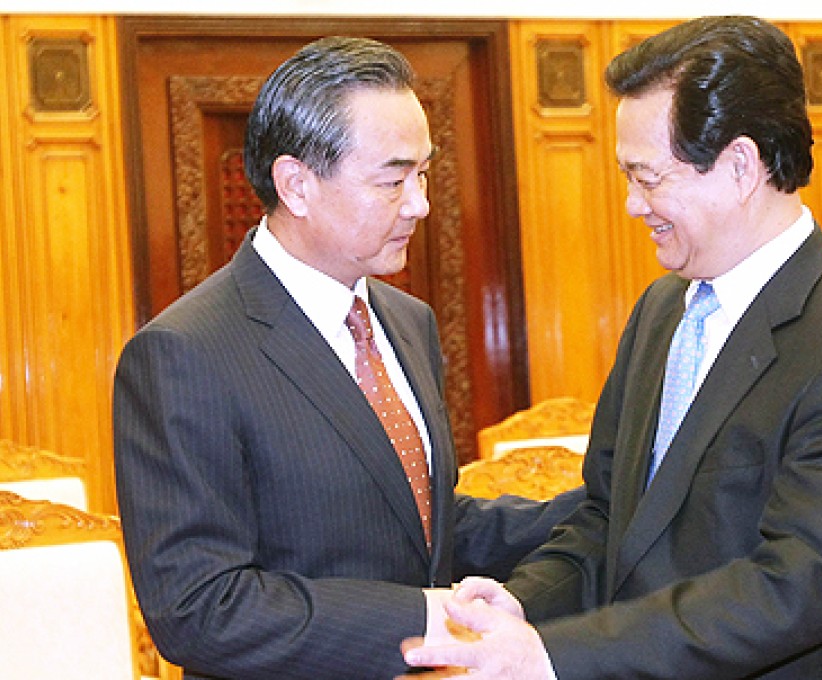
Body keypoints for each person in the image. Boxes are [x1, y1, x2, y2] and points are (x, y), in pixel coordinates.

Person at [402, 15, 822, 679]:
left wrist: (555, 655)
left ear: (740, 165)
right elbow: (608, 516)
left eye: (649, 177)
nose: (631, 204)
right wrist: (520, 603)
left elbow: (794, 587)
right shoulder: (663, 310)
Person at [113, 36, 578, 680]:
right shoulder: (185, 353)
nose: (420, 203)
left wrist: (603, 507)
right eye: (393, 179)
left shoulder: (408, 322)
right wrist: (424, 618)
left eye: (423, 173)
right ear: (296, 184)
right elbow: (199, 609)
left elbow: (417, 518)